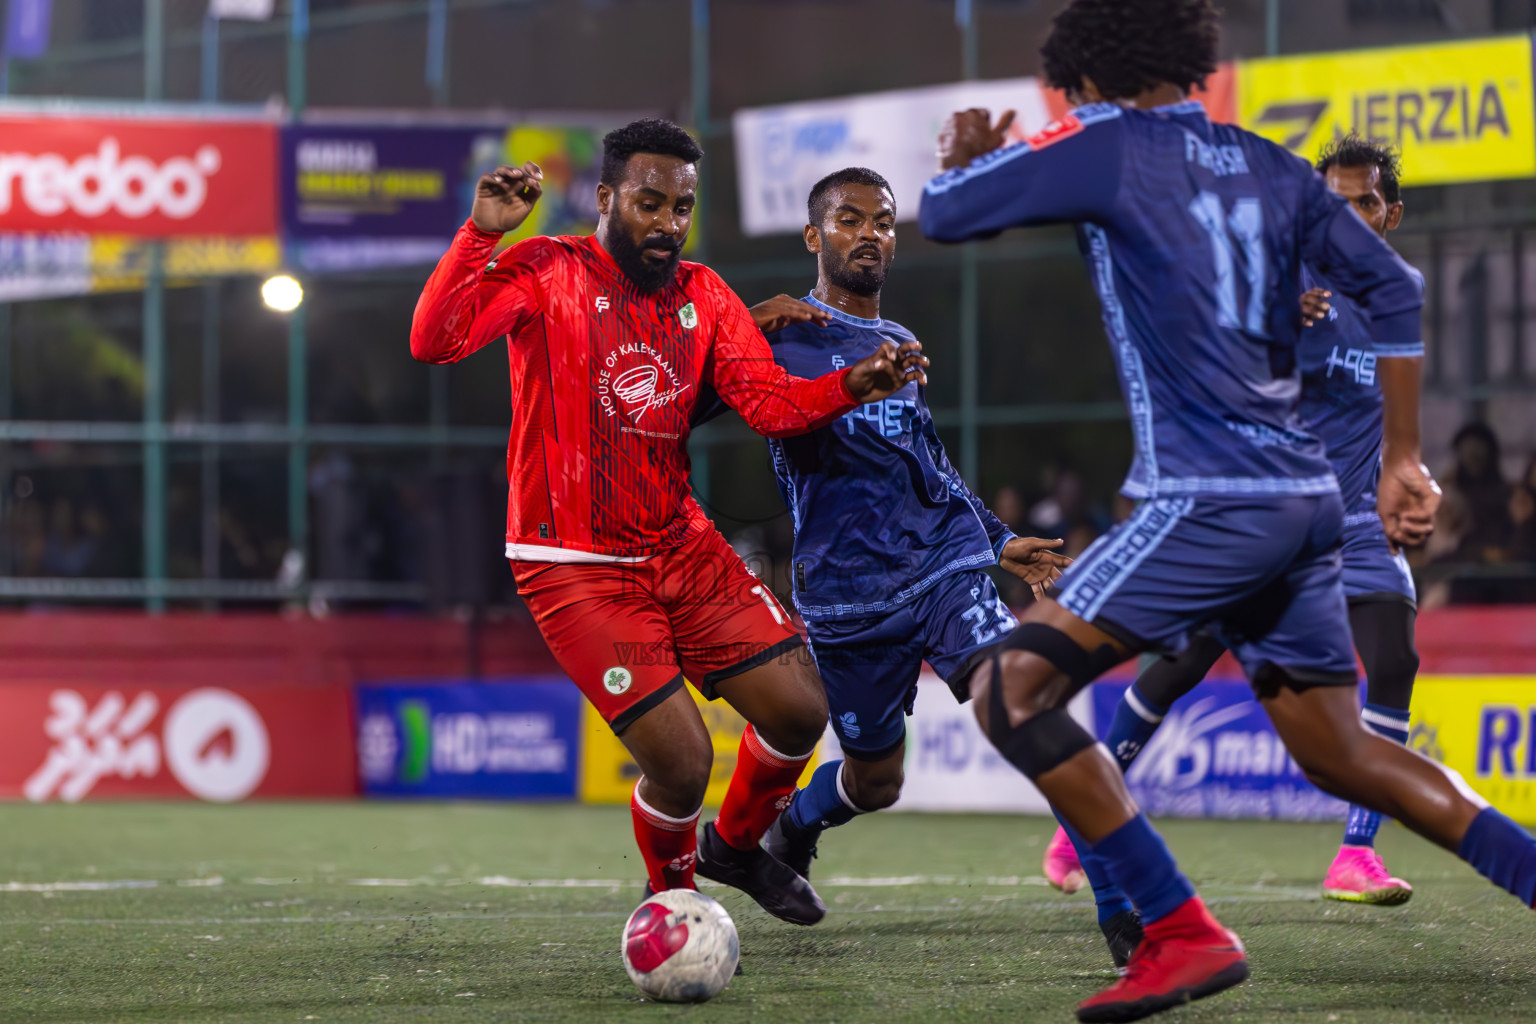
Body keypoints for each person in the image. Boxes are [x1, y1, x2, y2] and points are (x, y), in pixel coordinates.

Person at [919, 2, 1536, 1021]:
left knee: (1009, 689)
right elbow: (1398, 291)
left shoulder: (1099, 141)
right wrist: (1405, 458)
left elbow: (943, 213)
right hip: (1305, 503)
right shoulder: (1274, 165)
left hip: (1206, 496)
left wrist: (961, 152)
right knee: (1346, 753)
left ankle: (1178, 931)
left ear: (1084, 77)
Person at [410, 118, 927, 926]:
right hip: (572, 561)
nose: (666, 223)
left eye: (681, 207)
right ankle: (672, 904)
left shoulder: (705, 293)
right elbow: (434, 340)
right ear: (608, 197)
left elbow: (769, 406)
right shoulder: (548, 270)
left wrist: (854, 382)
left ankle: (735, 847)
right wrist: (480, 235)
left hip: (678, 544)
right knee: (682, 763)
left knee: (800, 709)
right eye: (650, 203)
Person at [1043, 136, 1431, 908]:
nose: (1348, 218)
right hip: (1262, 513)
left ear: (1390, 213)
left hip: (1353, 519)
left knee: (1393, 660)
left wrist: (1409, 473)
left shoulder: (1400, 294)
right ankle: (1078, 824)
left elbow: (1398, 413)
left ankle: (1356, 854)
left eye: (1365, 203)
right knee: (1182, 663)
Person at [726, 167, 1071, 888]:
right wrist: (739, 324)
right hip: (846, 596)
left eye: (883, 221)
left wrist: (1000, 541)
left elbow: (929, 463)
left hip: (939, 570)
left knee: (1017, 697)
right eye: (850, 220)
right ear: (814, 236)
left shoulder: (899, 340)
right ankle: (793, 827)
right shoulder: (778, 336)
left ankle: (1123, 890)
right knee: (877, 781)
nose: (870, 234)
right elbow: (684, 392)